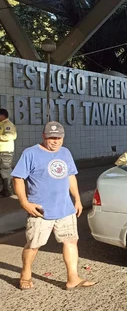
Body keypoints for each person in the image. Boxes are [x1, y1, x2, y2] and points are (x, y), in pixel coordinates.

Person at [12, 121, 96, 290]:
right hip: (40, 211)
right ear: (44, 136)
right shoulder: (31, 153)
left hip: (65, 208)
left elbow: (70, 176)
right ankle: (25, 274)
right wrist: (24, 202)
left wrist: (77, 199)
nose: (55, 141)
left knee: (71, 241)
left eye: (58, 138)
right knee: (34, 245)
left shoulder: (65, 153)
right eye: (51, 138)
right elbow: (18, 178)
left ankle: (73, 278)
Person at [0, 108, 17, 197]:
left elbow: (9, 136)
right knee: (2, 172)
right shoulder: (1, 124)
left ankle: (7, 191)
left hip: (5, 152)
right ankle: (4, 190)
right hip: (1, 151)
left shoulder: (8, 125)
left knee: (5, 171)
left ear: (2, 116)